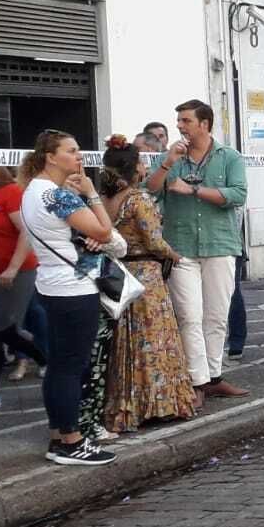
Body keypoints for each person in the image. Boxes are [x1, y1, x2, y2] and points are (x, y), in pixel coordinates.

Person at [20, 130, 118, 466]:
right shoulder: (58, 196)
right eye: (72, 151)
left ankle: (57, 435)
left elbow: (68, 232)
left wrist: (84, 233)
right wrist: (91, 194)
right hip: (73, 289)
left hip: (51, 284)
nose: (80, 157)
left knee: (59, 364)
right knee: (71, 366)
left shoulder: (33, 191)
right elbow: (104, 230)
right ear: (50, 156)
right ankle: (72, 441)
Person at [145, 99, 249, 405]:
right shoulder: (171, 157)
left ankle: (214, 377)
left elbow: (238, 194)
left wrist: (191, 190)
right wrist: (166, 163)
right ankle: (198, 381)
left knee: (216, 316)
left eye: (186, 120)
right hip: (181, 248)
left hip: (220, 245)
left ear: (204, 124)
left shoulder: (229, 156)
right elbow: (149, 189)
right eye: (178, 120)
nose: (179, 125)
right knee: (190, 315)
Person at [92, 136, 198, 431]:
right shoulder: (138, 199)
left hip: (119, 272)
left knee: (125, 340)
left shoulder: (104, 200)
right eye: (141, 161)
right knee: (153, 336)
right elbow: (154, 239)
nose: (144, 166)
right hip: (146, 274)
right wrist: (174, 255)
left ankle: (128, 403)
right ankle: (158, 403)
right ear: (134, 168)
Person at [0, 166, 41, 412]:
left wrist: (12, 267)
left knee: (4, 330)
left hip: (15, 272)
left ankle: (47, 359)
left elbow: (26, 232)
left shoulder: (10, 192)